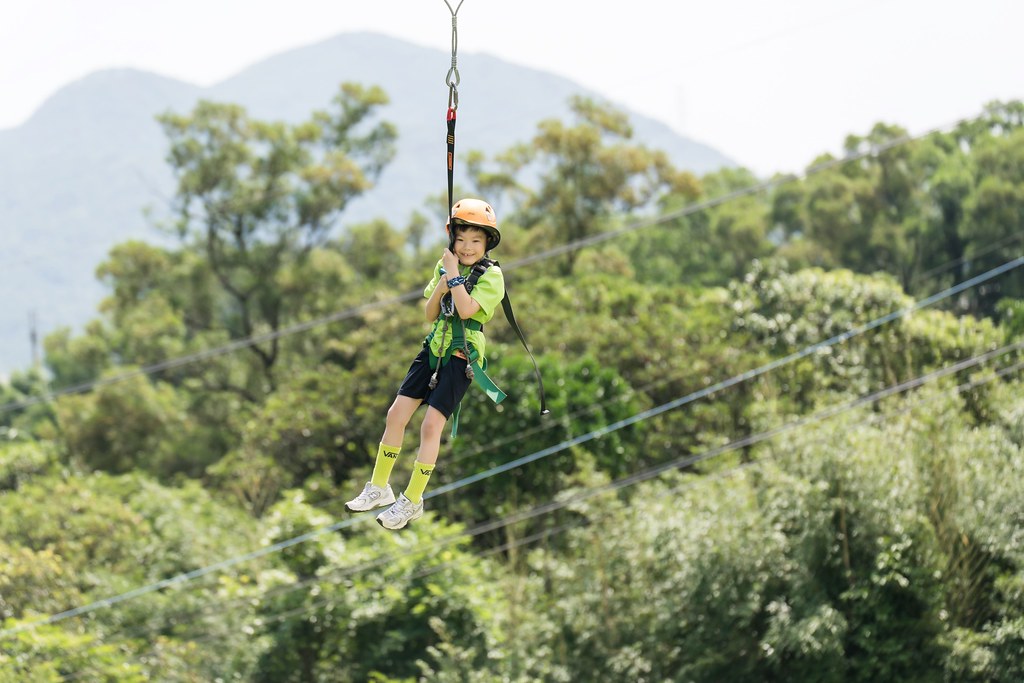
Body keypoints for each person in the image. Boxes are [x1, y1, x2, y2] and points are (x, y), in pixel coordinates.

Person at [345, 198, 506, 529]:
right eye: (461, 239)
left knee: (430, 426)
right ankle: (379, 487)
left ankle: (413, 500)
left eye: (476, 241)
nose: (467, 247)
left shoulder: (492, 276)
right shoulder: (444, 265)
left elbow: (466, 310)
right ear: (452, 239)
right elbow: (431, 313)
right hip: (434, 346)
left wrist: (455, 276)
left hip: (461, 355)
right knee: (395, 415)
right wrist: (443, 282)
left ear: (487, 243)